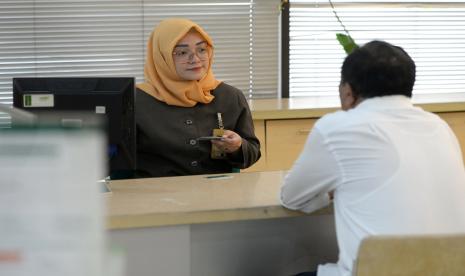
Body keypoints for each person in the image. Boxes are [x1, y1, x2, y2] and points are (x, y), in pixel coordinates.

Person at [280, 40, 465, 276]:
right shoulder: (440, 127)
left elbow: (291, 197)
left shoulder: (337, 127)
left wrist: (329, 193)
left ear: (347, 92)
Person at [135, 18, 261, 177]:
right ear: (162, 57)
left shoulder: (230, 96)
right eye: (182, 52)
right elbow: (115, 162)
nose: (195, 59)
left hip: (217, 193)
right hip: (155, 196)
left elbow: (252, 153)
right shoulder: (136, 100)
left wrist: (237, 147)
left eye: (201, 49)